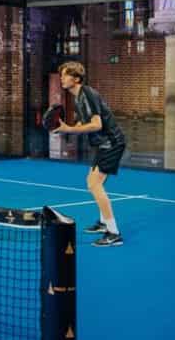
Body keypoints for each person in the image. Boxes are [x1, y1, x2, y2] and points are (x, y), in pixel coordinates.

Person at [50, 61, 126, 247]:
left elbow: (97, 124)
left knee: (94, 184)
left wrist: (71, 129)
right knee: (92, 182)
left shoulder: (88, 94)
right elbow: (83, 124)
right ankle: (103, 223)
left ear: (76, 78)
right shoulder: (79, 97)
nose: (62, 78)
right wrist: (68, 128)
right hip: (103, 145)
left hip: (111, 144)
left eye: (65, 75)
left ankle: (113, 233)